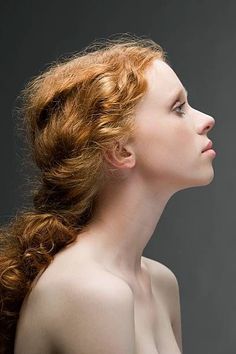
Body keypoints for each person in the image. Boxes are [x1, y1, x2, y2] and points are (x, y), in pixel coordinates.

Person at [0, 34, 216, 354]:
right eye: (178, 107)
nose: (207, 120)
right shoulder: (92, 292)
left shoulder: (160, 283)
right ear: (120, 149)